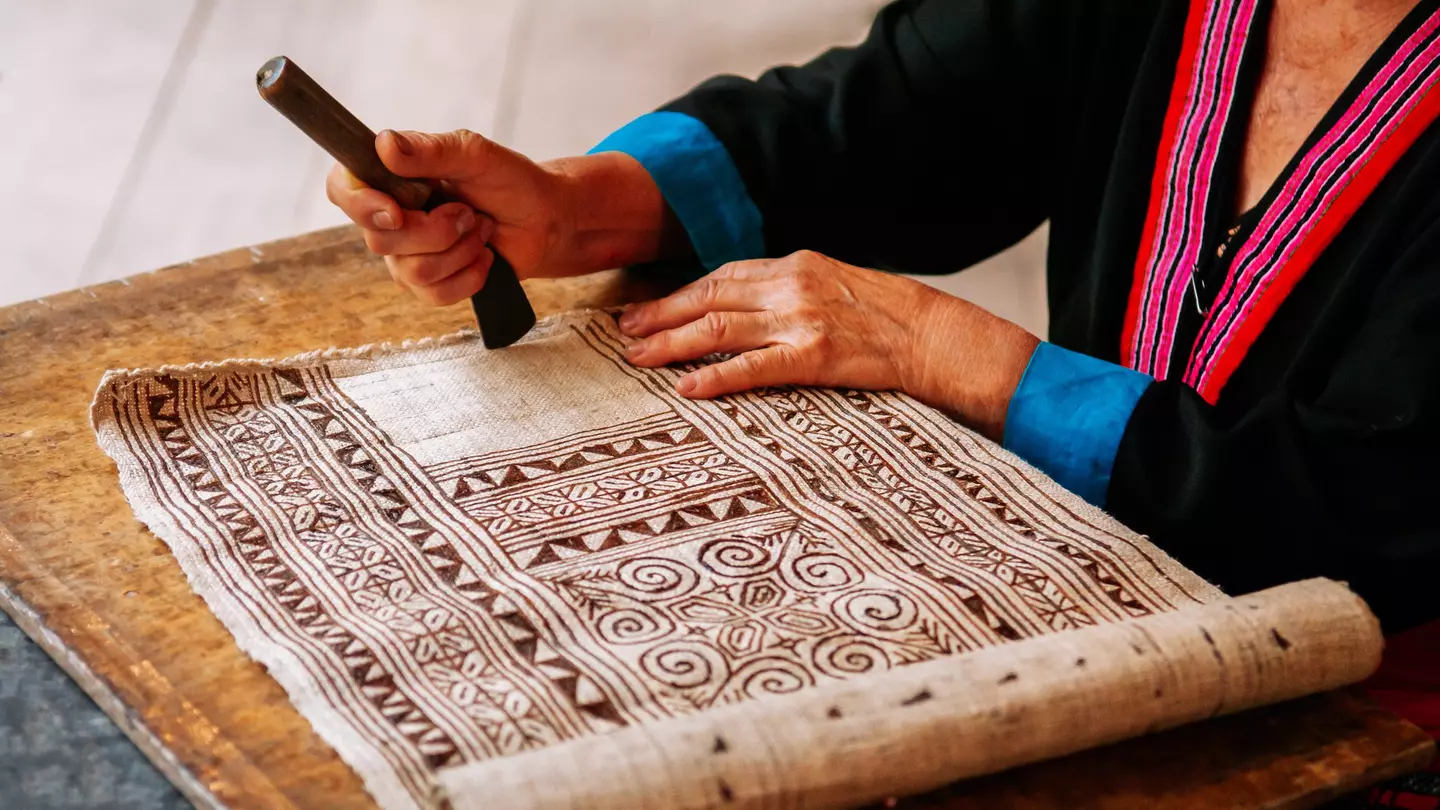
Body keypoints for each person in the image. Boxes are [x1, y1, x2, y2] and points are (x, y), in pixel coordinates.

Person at [325, 0, 1440, 639]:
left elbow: (1379, 509)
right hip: (1124, 608)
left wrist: (962, 359)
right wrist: (582, 211)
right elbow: (911, 110)